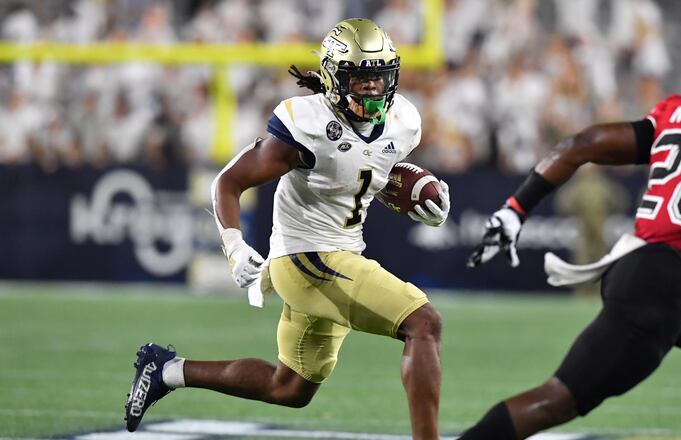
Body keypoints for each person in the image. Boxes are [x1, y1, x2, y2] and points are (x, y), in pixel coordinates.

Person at [124, 18, 450, 440]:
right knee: (424, 323)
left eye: (379, 77)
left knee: (289, 388)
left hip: (341, 255)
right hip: (307, 258)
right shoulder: (306, 124)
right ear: (335, 78)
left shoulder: (404, 121)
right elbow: (229, 182)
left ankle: (167, 370)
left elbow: (367, 173)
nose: (372, 89)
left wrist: (422, 201)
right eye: (360, 79)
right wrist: (234, 245)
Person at [463, 17, 681, 440]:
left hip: (655, 272)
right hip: (664, 287)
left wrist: (515, 210)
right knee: (557, 400)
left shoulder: (677, 110)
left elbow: (579, 145)